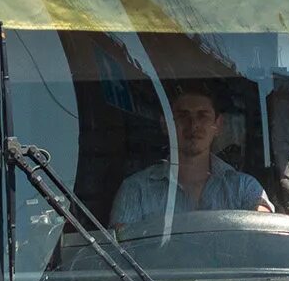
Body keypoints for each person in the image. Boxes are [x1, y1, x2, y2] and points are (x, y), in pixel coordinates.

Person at [111, 87, 274, 233]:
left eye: (203, 116)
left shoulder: (244, 188)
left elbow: (265, 237)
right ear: (165, 124)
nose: (193, 124)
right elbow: (120, 250)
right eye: (183, 116)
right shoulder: (136, 190)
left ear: (217, 125)